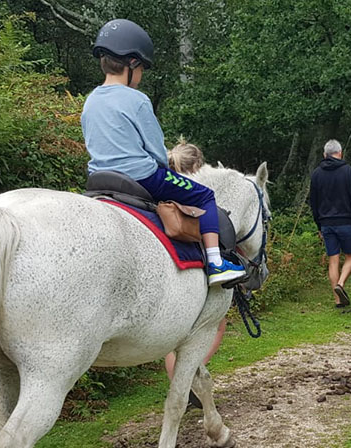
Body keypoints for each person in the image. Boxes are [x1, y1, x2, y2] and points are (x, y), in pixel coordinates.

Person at [82, 19, 246, 286]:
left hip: (99, 177)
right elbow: (156, 150)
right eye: (143, 68)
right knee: (205, 195)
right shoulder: (136, 99)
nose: (142, 74)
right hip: (141, 177)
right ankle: (216, 263)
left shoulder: (91, 100)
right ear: (132, 63)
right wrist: (167, 169)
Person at [308, 139, 351, 307]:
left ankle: (338, 299)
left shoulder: (317, 173)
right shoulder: (348, 171)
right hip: (346, 221)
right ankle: (341, 284)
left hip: (326, 223)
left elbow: (314, 202)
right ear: (340, 153)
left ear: (325, 155)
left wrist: (319, 225)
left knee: (333, 260)